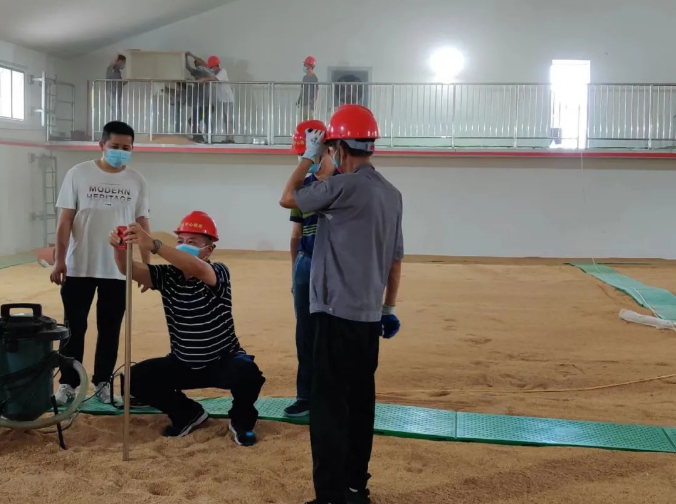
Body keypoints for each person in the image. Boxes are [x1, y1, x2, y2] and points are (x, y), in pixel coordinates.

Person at [279, 105, 403, 504]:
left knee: (328, 407)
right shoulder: (392, 194)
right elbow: (395, 260)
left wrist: (308, 159)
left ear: (340, 148)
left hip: (334, 313)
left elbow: (288, 198)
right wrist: (388, 309)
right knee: (360, 403)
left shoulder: (342, 188)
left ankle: (330, 496)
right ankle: (355, 487)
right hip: (369, 317)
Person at [109, 212, 265, 443]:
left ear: (209, 250)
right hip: (182, 362)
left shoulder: (218, 271)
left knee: (248, 372)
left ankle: (241, 422)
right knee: (135, 378)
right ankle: (187, 413)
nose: (184, 246)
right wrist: (120, 247)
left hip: (222, 361)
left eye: (192, 242)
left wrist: (153, 244)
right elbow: (127, 269)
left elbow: (196, 267)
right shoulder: (167, 276)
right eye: (180, 241)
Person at [51, 121, 151, 407]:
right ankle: (68, 384)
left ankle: (103, 384)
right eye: (115, 146)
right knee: (73, 328)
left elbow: (142, 223)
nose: (120, 151)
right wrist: (59, 260)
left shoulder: (136, 180)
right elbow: (65, 221)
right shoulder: (78, 173)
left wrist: (146, 265)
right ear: (102, 145)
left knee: (110, 330)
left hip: (118, 269)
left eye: (126, 148)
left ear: (132, 149)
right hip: (79, 266)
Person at [285, 120, 339, 418]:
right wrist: (296, 274)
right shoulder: (303, 185)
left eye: (308, 153)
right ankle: (307, 395)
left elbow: (295, 236)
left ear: (328, 149)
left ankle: (318, 395)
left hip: (332, 266)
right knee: (306, 333)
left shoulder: (343, 183)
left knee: (326, 332)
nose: (304, 158)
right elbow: (295, 235)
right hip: (308, 264)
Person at [197, 55, 235, 143]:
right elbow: (205, 65)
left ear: (215, 66)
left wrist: (204, 79)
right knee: (225, 120)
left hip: (228, 99)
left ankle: (231, 138)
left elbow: (215, 79)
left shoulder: (223, 71)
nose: (211, 69)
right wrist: (191, 55)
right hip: (223, 99)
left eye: (212, 68)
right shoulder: (216, 73)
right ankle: (228, 138)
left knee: (229, 120)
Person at [106, 54, 127, 120]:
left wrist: (126, 81)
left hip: (117, 94)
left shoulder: (118, 72)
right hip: (112, 93)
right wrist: (115, 60)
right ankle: (116, 125)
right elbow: (112, 77)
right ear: (119, 61)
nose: (124, 64)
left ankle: (117, 124)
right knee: (116, 112)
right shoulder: (111, 68)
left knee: (117, 112)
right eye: (123, 62)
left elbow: (119, 83)